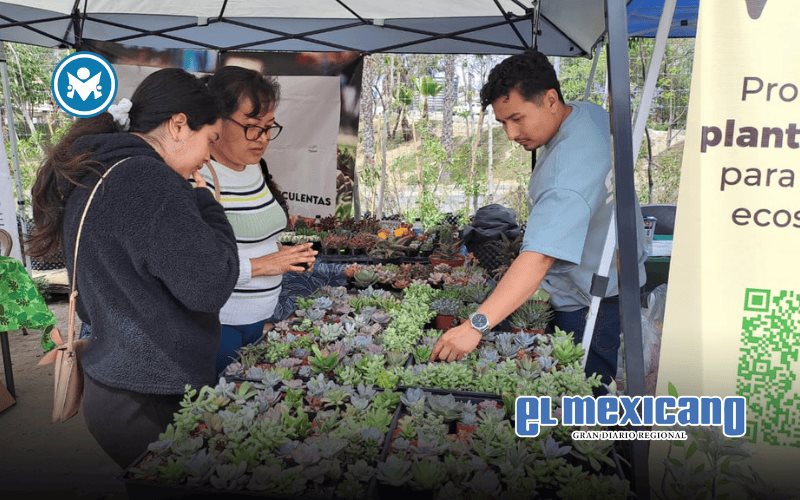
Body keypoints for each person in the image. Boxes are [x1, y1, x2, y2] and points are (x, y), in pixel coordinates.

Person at [29, 68, 239, 467]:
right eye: (210, 140)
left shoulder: (98, 170)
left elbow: (100, 296)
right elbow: (211, 286)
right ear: (179, 125)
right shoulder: (148, 181)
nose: (209, 156)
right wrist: (206, 204)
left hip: (114, 388)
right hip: (152, 398)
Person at [431, 50, 647, 394]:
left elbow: (540, 258)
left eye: (517, 118)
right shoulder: (584, 114)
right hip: (611, 273)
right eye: (502, 122)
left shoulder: (566, 176)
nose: (511, 133)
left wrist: (475, 326)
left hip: (591, 297)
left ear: (550, 100)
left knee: (587, 390)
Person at [201, 65, 317, 374]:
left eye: (269, 127)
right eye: (252, 126)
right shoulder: (198, 178)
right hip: (218, 325)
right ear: (215, 120)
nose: (262, 138)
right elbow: (196, 265)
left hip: (258, 319)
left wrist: (289, 254)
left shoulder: (255, 167)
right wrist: (266, 264)